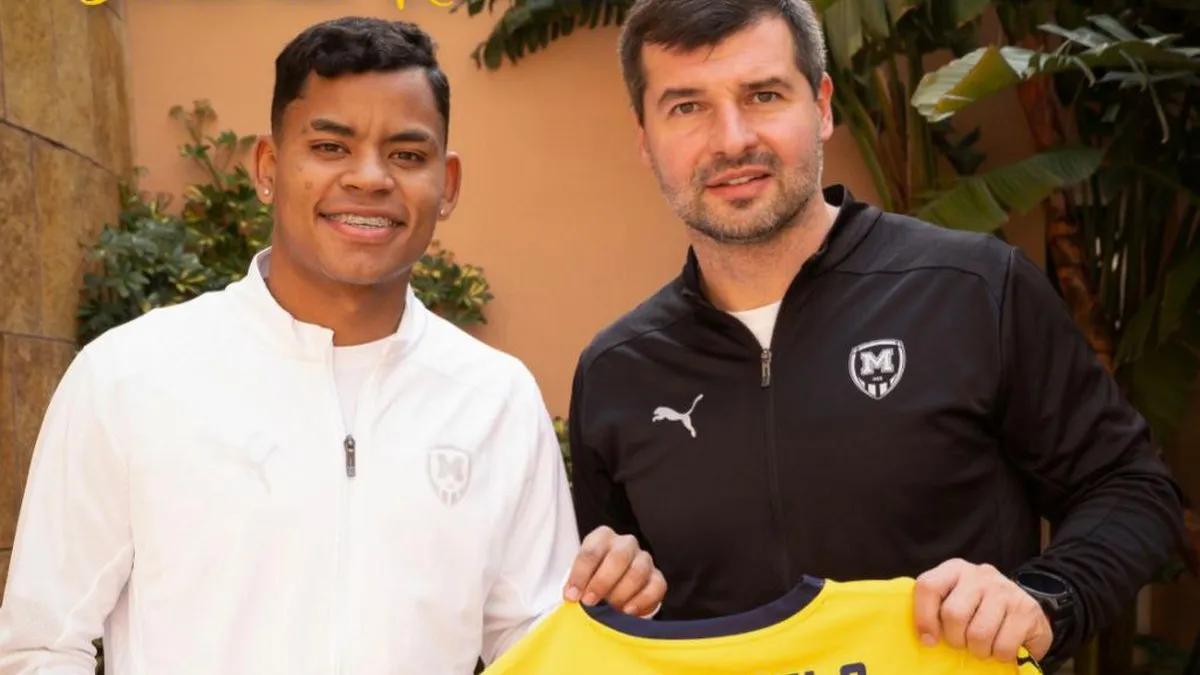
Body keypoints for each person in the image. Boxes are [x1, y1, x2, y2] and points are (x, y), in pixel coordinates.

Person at [0, 16, 664, 675]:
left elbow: (535, 646)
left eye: (407, 155)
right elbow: (39, 647)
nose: (370, 178)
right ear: (268, 166)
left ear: (448, 183)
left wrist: (609, 614)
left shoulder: (496, 398)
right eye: (329, 146)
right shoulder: (130, 377)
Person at [566, 0, 1188, 671]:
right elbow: (614, 610)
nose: (732, 139)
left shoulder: (974, 290)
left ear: (821, 105)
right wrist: (617, 590)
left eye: (764, 95)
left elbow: (1131, 489)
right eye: (687, 107)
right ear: (645, 138)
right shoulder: (616, 372)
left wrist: (1044, 599)